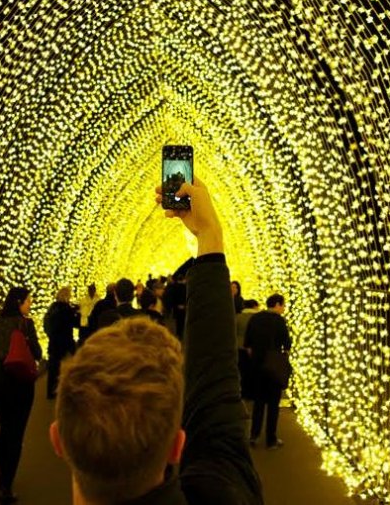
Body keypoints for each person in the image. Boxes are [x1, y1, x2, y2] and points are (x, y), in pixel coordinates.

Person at [48, 179, 263, 504]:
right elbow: (215, 383)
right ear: (177, 446)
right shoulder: (223, 491)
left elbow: (215, 389)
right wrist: (209, 234)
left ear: (58, 439)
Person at [0, 287, 43, 503]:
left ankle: (2, 480)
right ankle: (6, 485)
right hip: (20, 385)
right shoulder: (25, 324)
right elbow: (37, 353)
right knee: (16, 434)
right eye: (28, 301)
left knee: (5, 429)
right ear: (18, 302)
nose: (30, 304)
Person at [243, 293, 291, 449]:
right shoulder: (279, 321)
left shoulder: (256, 318)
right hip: (273, 368)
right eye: (283, 305)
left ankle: (254, 435)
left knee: (258, 402)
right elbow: (287, 343)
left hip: (257, 366)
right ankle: (271, 439)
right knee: (273, 405)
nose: (283, 309)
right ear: (277, 304)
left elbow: (247, 343)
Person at [44, 286, 77, 399]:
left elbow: (47, 324)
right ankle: (67, 391)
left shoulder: (52, 308)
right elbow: (73, 323)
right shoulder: (67, 309)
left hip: (54, 342)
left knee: (53, 368)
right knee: (69, 367)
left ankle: (51, 391)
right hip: (65, 341)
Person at [235, 299, 261, 399]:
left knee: (242, 370)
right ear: (255, 306)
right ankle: (252, 392)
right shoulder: (258, 318)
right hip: (254, 347)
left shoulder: (238, 317)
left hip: (240, 346)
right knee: (253, 370)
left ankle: (243, 391)